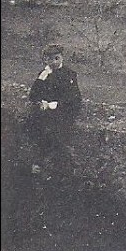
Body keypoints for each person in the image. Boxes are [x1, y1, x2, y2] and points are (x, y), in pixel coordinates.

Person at [26, 44, 82, 178]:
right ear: (45, 60)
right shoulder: (45, 74)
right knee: (35, 131)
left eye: (57, 58)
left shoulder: (69, 74)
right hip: (44, 115)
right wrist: (41, 81)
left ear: (62, 58)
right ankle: (38, 166)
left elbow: (74, 99)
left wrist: (54, 105)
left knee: (56, 139)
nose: (54, 62)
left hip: (62, 113)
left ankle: (56, 170)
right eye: (50, 59)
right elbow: (33, 95)